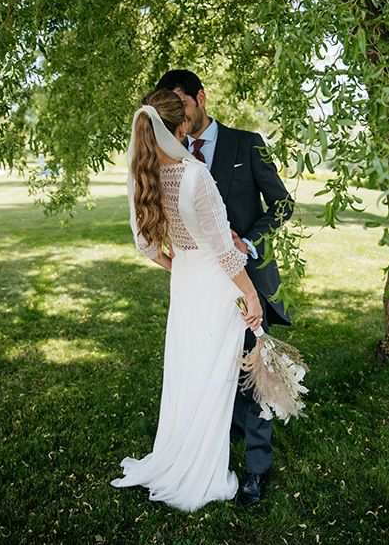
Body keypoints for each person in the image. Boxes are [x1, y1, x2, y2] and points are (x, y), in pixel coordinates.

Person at [110, 89, 263, 512]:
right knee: (211, 380)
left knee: (186, 374)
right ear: (180, 127)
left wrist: (178, 267)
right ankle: (202, 474)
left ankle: (177, 458)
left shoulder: (143, 174)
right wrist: (251, 296)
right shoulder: (194, 174)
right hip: (215, 285)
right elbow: (224, 251)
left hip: (186, 283)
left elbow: (146, 247)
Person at [155, 70, 294, 509]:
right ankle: (216, 437)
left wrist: (249, 241)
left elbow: (284, 204)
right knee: (216, 369)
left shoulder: (246, 142)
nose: (180, 115)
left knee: (255, 376)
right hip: (202, 291)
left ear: (202, 97)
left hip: (246, 277)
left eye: (184, 104)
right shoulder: (170, 158)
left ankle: (255, 469)